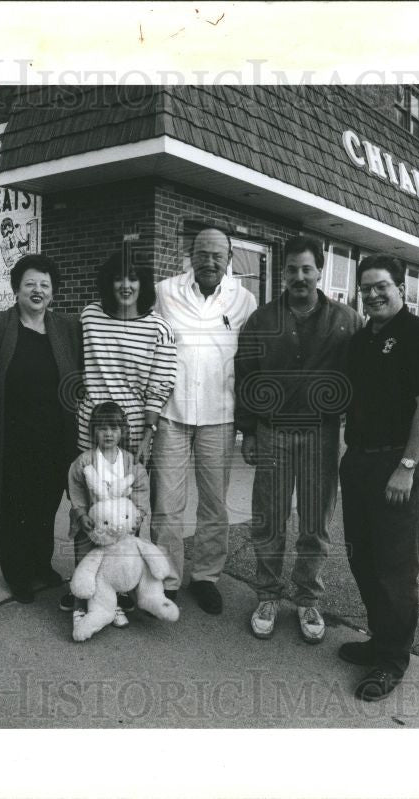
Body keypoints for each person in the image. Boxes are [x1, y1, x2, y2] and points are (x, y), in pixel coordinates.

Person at [234, 235, 362, 643]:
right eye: (292, 269)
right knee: (269, 518)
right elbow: (246, 377)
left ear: (320, 271)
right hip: (272, 432)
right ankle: (268, 595)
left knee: (315, 521)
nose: (299, 277)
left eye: (307, 269)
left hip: (321, 435)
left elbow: (364, 378)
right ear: (283, 272)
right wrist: (249, 430)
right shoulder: (261, 320)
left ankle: (308, 597)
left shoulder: (346, 319)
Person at [338, 255, 419, 701]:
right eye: (366, 289)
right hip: (359, 463)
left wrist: (407, 467)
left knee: (396, 569)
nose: (374, 295)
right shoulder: (362, 341)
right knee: (363, 559)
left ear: (401, 288)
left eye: (382, 287)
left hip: (399, 466)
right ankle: (380, 641)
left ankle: (392, 661)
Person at [59, 251, 177, 615]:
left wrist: (147, 433)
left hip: (132, 430)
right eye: (118, 279)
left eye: (133, 278)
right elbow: (74, 361)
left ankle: (124, 583)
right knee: (88, 504)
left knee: (126, 509)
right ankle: (84, 587)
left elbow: (162, 382)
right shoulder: (91, 316)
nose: (125, 286)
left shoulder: (158, 327)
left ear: (143, 284)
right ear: (109, 283)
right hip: (89, 427)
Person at [151, 227, 257, 614]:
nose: (209, 262)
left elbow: (249, 362)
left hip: (220, 416)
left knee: (214, 504)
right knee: (167, 504)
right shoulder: (164, 292)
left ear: (229, 258)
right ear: (189, 255)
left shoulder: (244, 300)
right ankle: (166, 578)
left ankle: (207, 577)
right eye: (202, 254)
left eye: (217, 255)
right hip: (172, 413)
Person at [0, 254, 82, 604]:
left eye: (44, 285)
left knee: (45, 503)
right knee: (15, 506)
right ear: (16, 289)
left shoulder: (66, 329)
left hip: (55, 434)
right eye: (30, 284)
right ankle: (18, 573)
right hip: (12, 434)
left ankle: (41, 565)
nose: (37, 291)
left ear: (54, 292)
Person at [66, 401, 152, 636]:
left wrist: (138, 515)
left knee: (115, 565)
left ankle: (111, 603)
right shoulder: (85, 461)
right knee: (86, 563)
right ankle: (80, 606)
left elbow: (141, 489)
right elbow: (75, 487)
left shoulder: (129, 462)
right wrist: (81, 513)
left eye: (114, 428)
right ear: (93, 431)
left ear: (123, 431)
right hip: (93, 526)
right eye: (103, 428)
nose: (108, 434)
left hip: (120, 529)